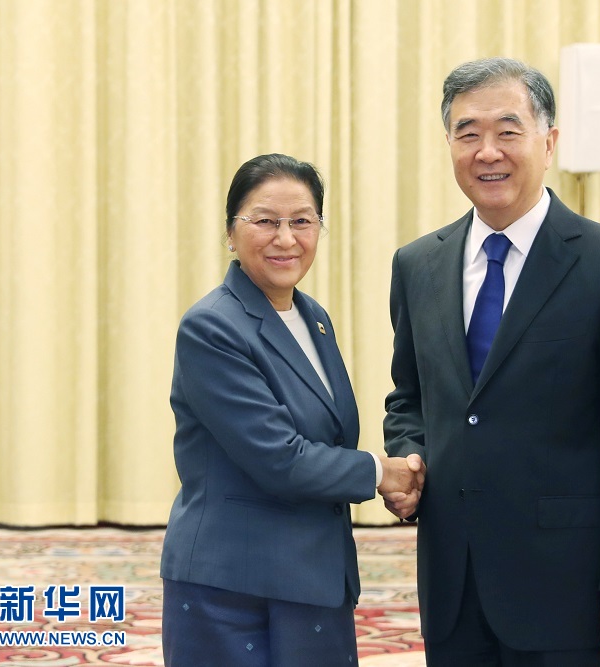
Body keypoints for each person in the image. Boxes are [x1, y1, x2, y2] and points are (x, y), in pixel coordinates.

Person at [382, 58, 600, 666]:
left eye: (508, 131)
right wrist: (411, 456)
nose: (487, 151)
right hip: (454, 580)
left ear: (549, 142)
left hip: (568, 585)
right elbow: (410, 396)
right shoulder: (417, 265)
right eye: (468, 133)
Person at [160, 153, 424, 666]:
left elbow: (330, 436)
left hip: (314, 576)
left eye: (302, 221)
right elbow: (279, 458)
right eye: (265, 221)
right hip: (233, 587)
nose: (285, 239)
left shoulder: (312, 317)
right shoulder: (211, 327)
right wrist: (381, 473)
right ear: (231, 233)